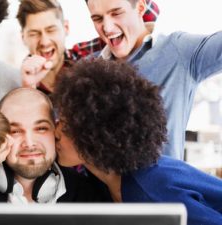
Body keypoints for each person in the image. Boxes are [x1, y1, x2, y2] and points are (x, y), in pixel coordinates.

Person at [53, 59, 222, 225]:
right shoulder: (106, 182)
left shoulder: (151, 190)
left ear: (97, 136)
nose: (56, 132)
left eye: (66, 127)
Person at [83, 0, 222, 159]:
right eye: (97, 19)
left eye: (116, 13)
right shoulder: (88, 70)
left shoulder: (178, 52)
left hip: (162, 182)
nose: (107, 27)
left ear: (140, 8)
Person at [0, 88, 101, 203]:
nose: (30, 143)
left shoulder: (88, 195)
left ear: (56, 130)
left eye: (41, 128)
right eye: (15, 131)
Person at [17, 0, 159, 95]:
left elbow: (148, 14)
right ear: (23, 37)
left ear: (66, 28)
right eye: (34, 33)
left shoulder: (87, 56)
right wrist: (28, 88)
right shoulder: (20, 84)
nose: (44, 42)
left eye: (51, 30)